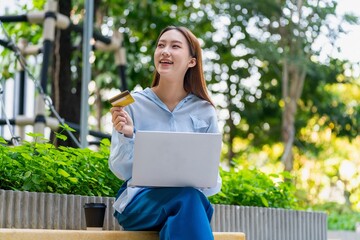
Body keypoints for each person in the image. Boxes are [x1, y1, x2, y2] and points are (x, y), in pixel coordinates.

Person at [109, 26, 222, 240]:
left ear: (192, 61)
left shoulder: (205, 111)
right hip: (139, 203)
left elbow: (213, 182)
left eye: (175, 46)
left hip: (187, 204)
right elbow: (119, 168)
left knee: (189, 204)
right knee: (191, 202)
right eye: (161, 45)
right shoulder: (132, 104)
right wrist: (128, 135)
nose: (165, 51)